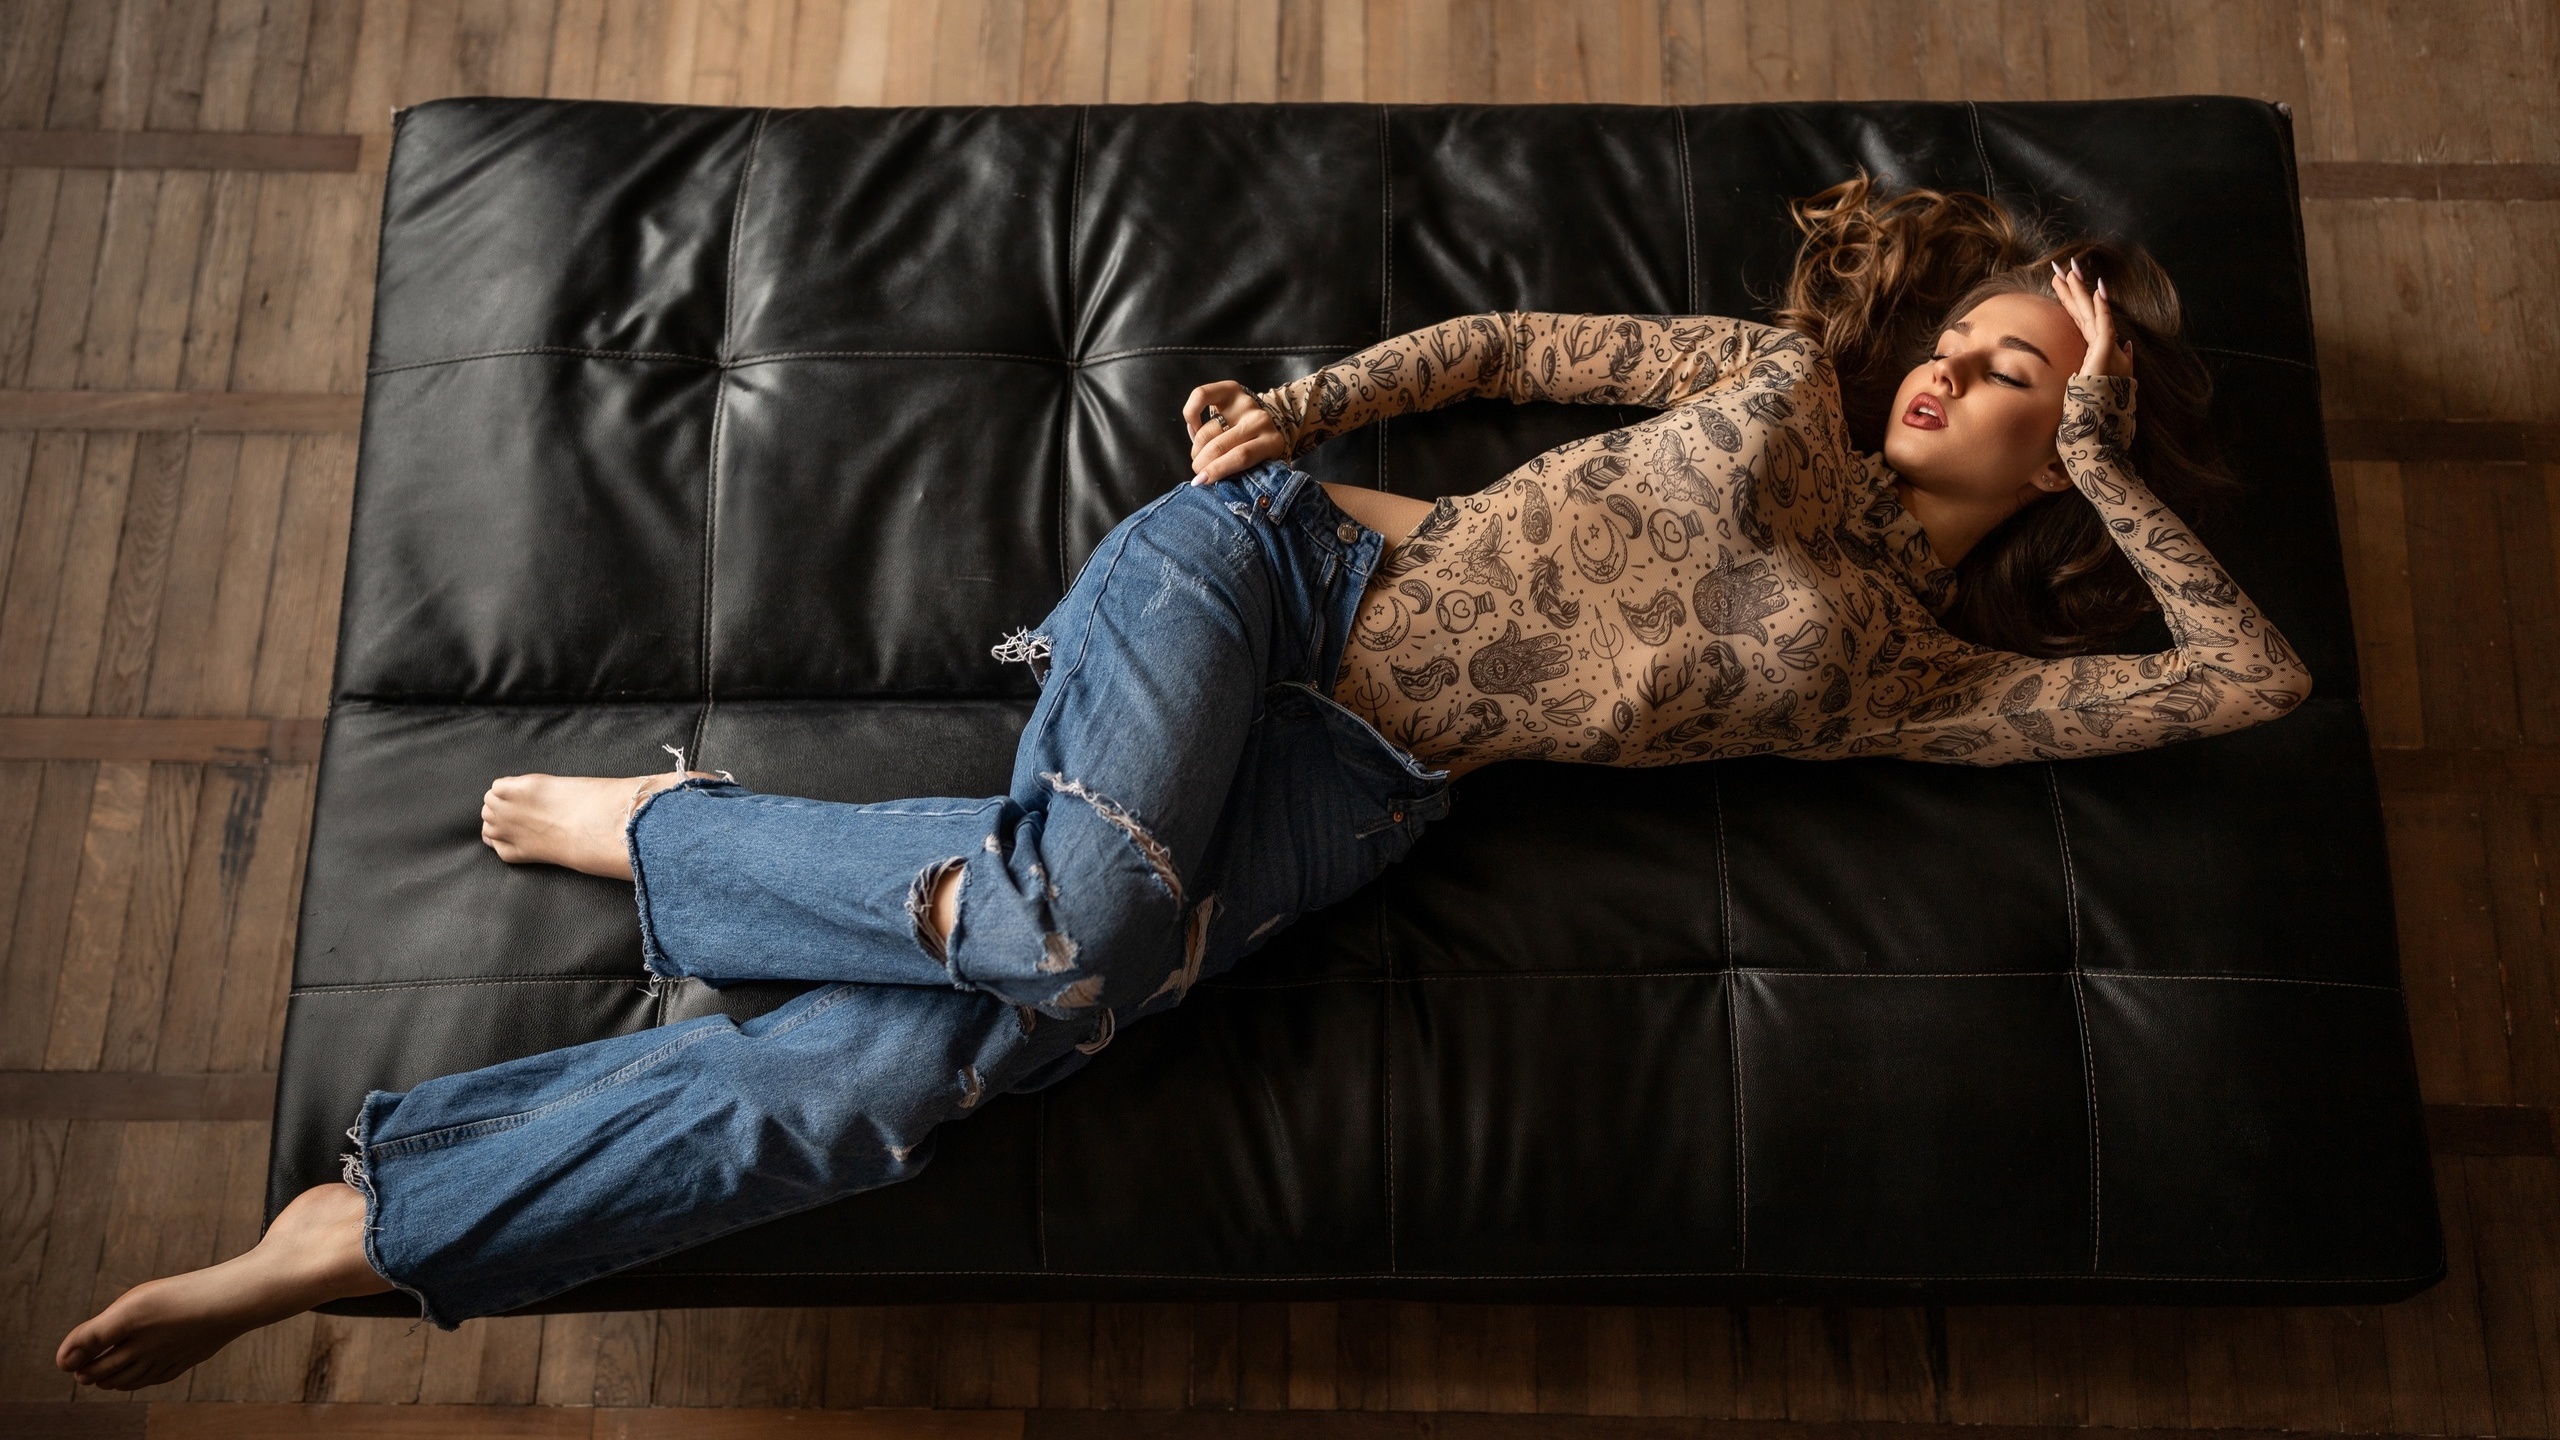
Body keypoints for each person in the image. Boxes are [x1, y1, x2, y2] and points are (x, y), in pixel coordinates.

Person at [57, 175, 2309, 1389]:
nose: (1950, 367)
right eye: (1966, 330)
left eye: (2015, 370)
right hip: (1248, 583)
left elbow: (2240, 683)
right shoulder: (1774, 378)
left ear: (2063, 449)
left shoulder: (1921, 677)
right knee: (1072, 933)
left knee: (888, 1098)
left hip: (1368, 788)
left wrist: (2108, 447)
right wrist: (1295, 419)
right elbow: (1517, 349)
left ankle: (371, 1228)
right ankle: (670, 832)